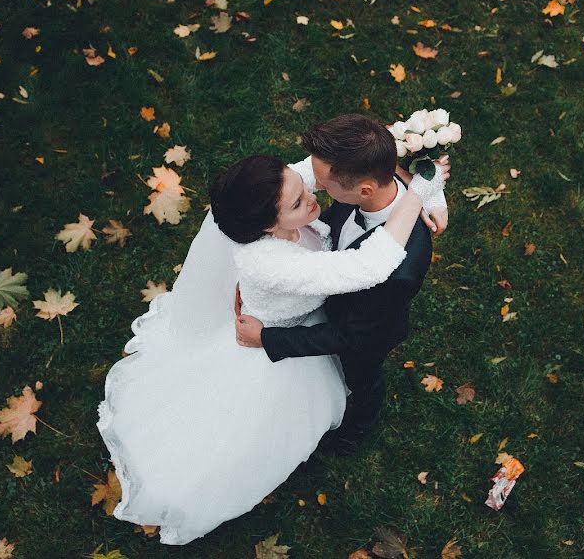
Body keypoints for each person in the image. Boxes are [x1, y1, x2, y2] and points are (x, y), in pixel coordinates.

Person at [96, 146, 448, 544]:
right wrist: (419, 189)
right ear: (267, 227)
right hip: (273, 339)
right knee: (248, 425)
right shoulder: (272, 261)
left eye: (303, 188)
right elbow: (367, 266)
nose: (313, 197)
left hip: (292, 312)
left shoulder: (280, 191)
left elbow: (330, 169)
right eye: (299, 202)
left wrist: (400, 155)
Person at [235, 114, 449, 454]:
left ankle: (356, 427)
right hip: (332, 295)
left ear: (363, 190)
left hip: (366, 335)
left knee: (362, 380)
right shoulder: (370, 171)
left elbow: (350, 336)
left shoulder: (399, 270)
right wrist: (431, 193)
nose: (312, 188)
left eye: (322, 184)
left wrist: (267, 338)